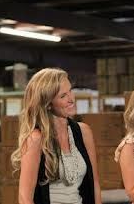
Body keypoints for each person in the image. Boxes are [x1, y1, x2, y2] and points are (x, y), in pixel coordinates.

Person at [11, 68, 101, 204]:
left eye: (70, 91)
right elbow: (25, 198)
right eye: (63, 96)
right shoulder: (36, 139)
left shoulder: (83, 132)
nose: (71, 99)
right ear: (47, 104)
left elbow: (94, 183)